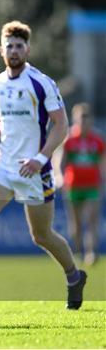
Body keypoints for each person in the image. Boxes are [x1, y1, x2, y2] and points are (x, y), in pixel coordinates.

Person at [0, 21, 87, 310]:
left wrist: (41, 158)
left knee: (41, 235)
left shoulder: (41, 83)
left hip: (34, 170)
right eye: (9, 46)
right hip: (3, 166)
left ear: (27, 49)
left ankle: (74, 276)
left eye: (19, 45)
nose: (14, 50)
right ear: (2, 50)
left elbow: (61, 124)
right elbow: (3, 114)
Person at [62, 103, 104, 265]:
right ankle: (78, 251)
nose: (84, 123)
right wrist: (59, 176)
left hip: (93, 186)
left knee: (92, 220)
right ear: (75, 120)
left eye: (87, 120)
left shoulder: (97, 140)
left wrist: (103, 179)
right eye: (81, 120)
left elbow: (103, 162)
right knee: (76, 223)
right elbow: (61, 161)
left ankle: (91, 252)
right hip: (73, 186)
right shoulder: (69, 139)